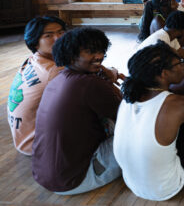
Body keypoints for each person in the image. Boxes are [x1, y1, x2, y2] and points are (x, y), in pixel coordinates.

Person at [32, 28, 125, 195]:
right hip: (77, 180)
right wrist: (111, 81)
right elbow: (128, 117)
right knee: (143, 130)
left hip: (46, 176)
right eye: (90, 52)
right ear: (71, 55)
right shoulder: (90, 84)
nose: (99, 56)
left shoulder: (59, 77)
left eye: (101, 50)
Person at [113, 42, 184, 201]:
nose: (183, 66)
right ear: (163, 74)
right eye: (178, 63)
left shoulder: (127, 99)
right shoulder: (181, 105)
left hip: (133, 184)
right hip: (169, 187)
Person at [7, 16, 66, 155]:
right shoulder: (53, 72)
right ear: (34, 43)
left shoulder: (34, 59)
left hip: (24, 138)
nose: (58, 38)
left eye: (61, 32)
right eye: (48, 35)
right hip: (38, 144)